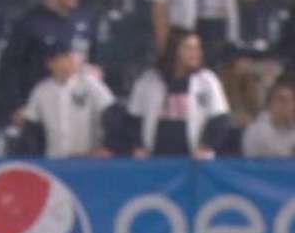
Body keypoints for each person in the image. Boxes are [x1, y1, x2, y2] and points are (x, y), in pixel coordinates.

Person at [1, 0, 100, 114]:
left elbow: (95, 59)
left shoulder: (86, 20)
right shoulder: (29, 24)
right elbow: (10, 69)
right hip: (43, 108)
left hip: (80, 107)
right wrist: (17, 106)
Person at [128, 28, 229, 159]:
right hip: (154, 159)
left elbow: (220, 118)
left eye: (197, 48)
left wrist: (206, 146)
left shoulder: (207, 81)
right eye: (188, 48)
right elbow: (133, 119)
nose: (195, 53)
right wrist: (139, 146)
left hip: (195, 161)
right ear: (173, 50)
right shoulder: (148, 80)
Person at [21, 40, 118, 159]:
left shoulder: (90, 84)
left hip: (87, 159)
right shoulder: (41, 90)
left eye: (72, 56)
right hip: (53, 161)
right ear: (51, 63)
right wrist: (34, 158)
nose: (72, 60)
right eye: (65, 57)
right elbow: (31, 129)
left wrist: (108, 146)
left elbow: (111, 113)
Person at [242, 75, 295, 158]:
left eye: (291, 100)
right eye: (281, 100)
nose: (286, 105)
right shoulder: (255, 131)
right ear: (270, 104)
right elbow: (251, 163)